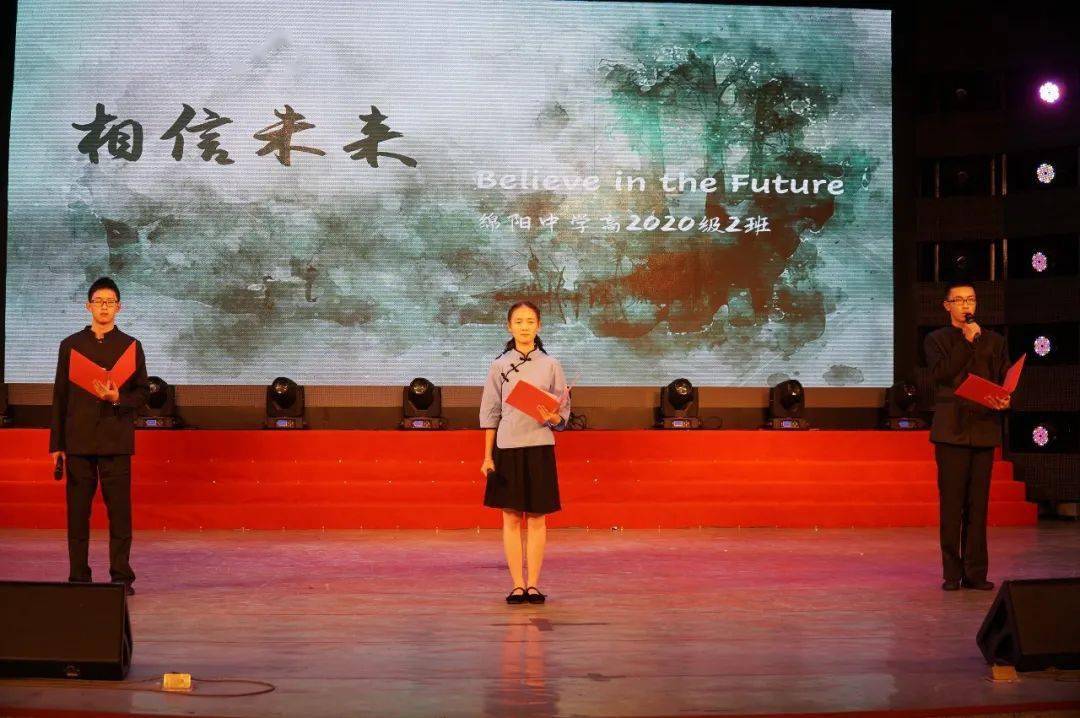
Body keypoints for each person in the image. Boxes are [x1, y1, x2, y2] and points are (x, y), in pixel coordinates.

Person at [49, 277, 149, 595]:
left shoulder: (131, 347)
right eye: (98, 301)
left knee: (119, 513)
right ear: (88, 306)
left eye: (110, 302)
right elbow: (60, 397)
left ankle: (121, 576)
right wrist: (57, 444)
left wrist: (118, 398)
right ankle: (78, 575)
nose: (104, 307)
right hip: (78, 441)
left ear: (119, 307)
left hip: (116, 441)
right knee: (78, 513)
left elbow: (143, 394)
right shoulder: (71, 345)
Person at [480, 301, 570, 604]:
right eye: (518, 321)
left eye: (530, 321)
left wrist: (553, 416)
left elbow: (562, 417)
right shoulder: (499, 365)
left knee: (536, 518)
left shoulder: (551, 364)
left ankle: (533, 584)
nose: (524, 326)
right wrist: (487, 456)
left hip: (539, 446)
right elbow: (490, 413)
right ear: (509, 326)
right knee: (510, 517)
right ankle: (517, 585)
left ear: (539, 326)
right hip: (507, 446)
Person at [923, 283, 1010, 592]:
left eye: (970, 299)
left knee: (978, 506)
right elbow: (941, 375)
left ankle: (976, 573)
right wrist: (966, 341)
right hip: (952, 431)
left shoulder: (995, 341)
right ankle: (951, 573)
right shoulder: (936, 340)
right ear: (947, 305)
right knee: (952, 505)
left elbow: (1003, 378)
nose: (965, 305)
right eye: (958, 300)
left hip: (983, 429)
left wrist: (1006, 398)